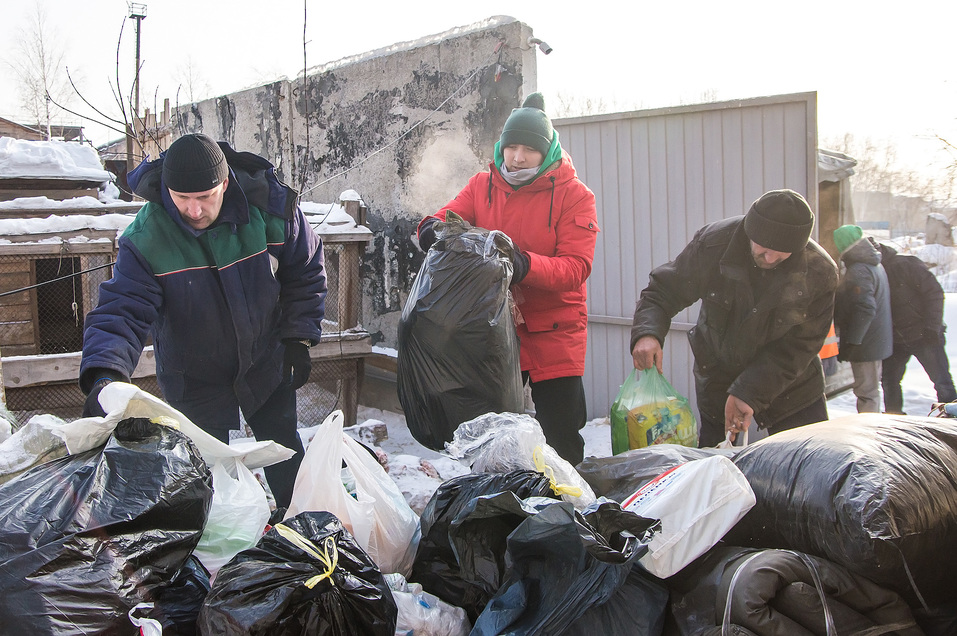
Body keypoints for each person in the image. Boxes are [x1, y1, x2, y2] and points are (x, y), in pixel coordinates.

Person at [79, 133, 327, 509]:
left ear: (224, 184)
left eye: (205, 197)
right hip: (193, 376)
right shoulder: (146, 238)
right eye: (182, 198)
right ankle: (215, 539)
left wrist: (299, 337)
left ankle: (301, 525)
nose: (193, 211)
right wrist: (105, 373)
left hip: (265, 361)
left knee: (285, 453)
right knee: (203, 477)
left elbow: (305, 269)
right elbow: (122, 309)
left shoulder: (270, 210)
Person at [416, 92, 599, 465]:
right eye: (511, 147)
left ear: (547, 151)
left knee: (560, 435)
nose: (517, 157)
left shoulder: (575, 196)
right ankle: (500, 495)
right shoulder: (482, 185)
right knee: (494, 432)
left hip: (553, 331)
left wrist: (524, 264)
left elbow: (576, 267)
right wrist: (432, 228)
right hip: (492, 330)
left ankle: (565, 499)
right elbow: (447, 217)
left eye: (529, 149)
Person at [631, 189, 838, 447]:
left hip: (791, 387)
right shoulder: (713, 245)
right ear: (751, 231)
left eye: (782, 253)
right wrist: (648, 333)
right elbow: (664, 291)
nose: (770, 258)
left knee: (804, 459)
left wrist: (749, 391)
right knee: (715, 463)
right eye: (764, 248)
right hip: (718, 376)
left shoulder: (819, 272)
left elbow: (801, 346)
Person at [877, 241, 957, 414]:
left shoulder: (906, 264)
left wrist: (932, 327)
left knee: (942, 381)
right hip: (896, 338)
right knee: (889, 380)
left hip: (924, 335)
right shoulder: (874, 271)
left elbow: (934, 293)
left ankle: (951, 420)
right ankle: (893, 419)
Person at [832, 224, 893, 413]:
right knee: (871, 390)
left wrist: (853, 341)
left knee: (867, 393)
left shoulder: (859, 269)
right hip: (874, 340)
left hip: (866, 344)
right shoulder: (873, 264)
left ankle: (869, 428)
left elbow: (865, 309)